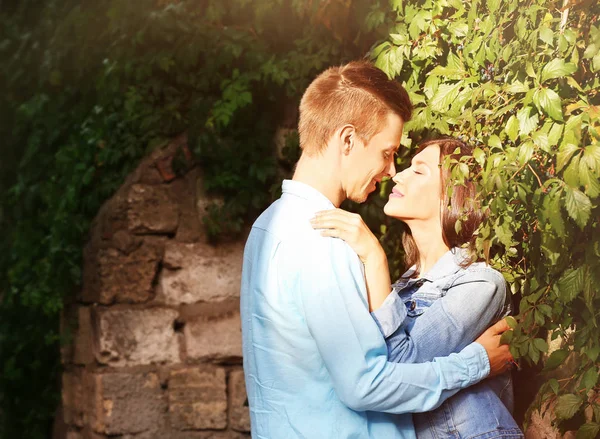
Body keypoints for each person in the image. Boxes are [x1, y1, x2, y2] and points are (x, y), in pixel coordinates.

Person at [240, 61, 513, 438]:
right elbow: (365, 384)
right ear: (348, 140)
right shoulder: (326, 241)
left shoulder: (265, 228)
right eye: (387, 152)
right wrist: (475, 364)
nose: (390, 171)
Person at [311, 137, 524, 438]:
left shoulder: (481, 282)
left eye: (419, 171)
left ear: (453, 196)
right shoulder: (401, 289)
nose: (398, 175)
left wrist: (374, 256)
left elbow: (402, 362)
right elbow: (378, 382)